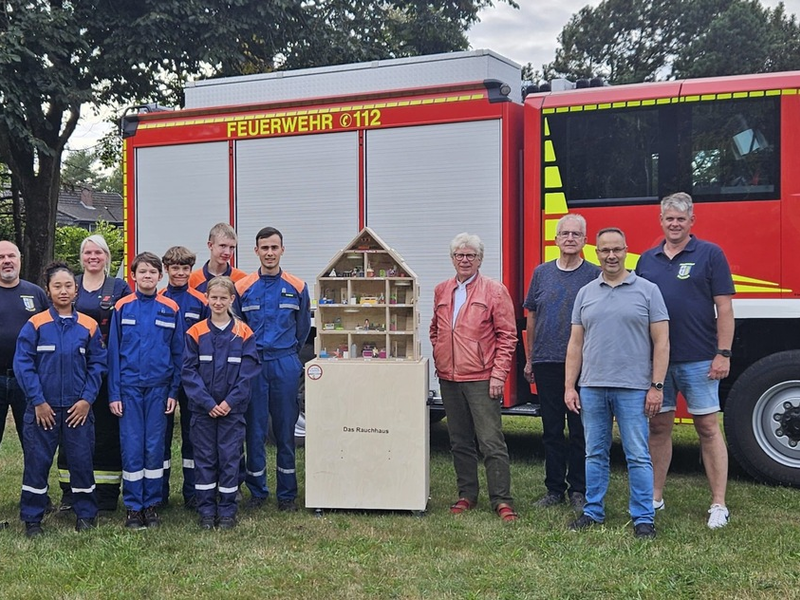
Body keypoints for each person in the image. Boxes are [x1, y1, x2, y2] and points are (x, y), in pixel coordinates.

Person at [636, 192, 735, 529]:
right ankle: (655, 496)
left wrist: (723, 353)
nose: (675, 224)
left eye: (681, 219)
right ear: (661, 221)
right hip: (657, 362)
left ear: (692, 221)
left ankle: (719, 503)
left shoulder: (710, 254)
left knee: (707, 428)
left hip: (700, 359)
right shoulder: (646, 260)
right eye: (670, 218)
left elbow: (724, 308)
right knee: (658, 427)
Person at [565, 228, 669, 539]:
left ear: (626, 251)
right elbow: (575, 343)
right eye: (605, 250)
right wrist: (570, 386)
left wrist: (657, 386)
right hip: (592, 386)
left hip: (633, 388)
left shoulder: (648, 291)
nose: (611, 256)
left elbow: (662, 342)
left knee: (637, 455)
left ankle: (643, 518)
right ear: (596, 253)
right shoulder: (585, 293)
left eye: (617, 250)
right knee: (594, 452)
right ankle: (592, 511)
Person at [429, 232, 519, 522]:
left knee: (491, 441)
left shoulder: (494, 290)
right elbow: (435, 329)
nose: (464, 260)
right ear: (452, 259)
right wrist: (441, 355)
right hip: (449, 378)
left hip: (482, 377)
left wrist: (498, 375)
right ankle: (466, 494)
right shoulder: (442, 290)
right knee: (459, 441)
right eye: (459, 255)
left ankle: (501, 499)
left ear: (480, 259)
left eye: (471, 255)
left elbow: (507, 336)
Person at [14, 262, 107, 537]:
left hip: (78, 410)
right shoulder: (35, 324)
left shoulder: (88, 326)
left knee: (81, 461)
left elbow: (98, 365)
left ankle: (86, 514)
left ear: (76, 290)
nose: (63, 291)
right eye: (57, 286)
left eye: (68, 286)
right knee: (37, 462)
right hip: (44, 410)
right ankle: (32, 518)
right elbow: (23, 365)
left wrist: (87, 400)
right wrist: (38, 401)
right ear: (48, 290)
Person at [523, 214, 599, 510]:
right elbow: (532, 316)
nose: (570, 238)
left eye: (576, 234)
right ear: (555, 239)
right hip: (546, 362)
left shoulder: (594, 275)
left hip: (583, 365)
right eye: (564, 233)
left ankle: (578, 489)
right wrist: (530, 359)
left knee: (580, 430)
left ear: (584, 240)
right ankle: (554, 489)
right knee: (551, 430)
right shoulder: (541, 273)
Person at [235, 227, 311, 512]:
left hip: (284, 363)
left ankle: (287, 494)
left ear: (282, 250)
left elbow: (303, 329)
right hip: (253, 364)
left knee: (285, 430)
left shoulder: (297, 286)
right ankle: (257, 492)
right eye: (264, 248)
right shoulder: (242, 287)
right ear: (256, 251)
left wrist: (287, 354)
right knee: (254, 430)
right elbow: (238, 327)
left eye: (274, 247)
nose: (269, 253)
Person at [108, 252, 184, 529]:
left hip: (159, 390)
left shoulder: (170, 308)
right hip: (129, 389)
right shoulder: (122, 307)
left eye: (152, 272)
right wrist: (114, 394)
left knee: (154, 448)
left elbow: (179, 353)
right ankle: (133, 507)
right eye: (142, 272)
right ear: (133, 276)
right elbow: (113, 354)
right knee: (131, 447)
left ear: (160, 276)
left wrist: (173, 391)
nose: (147, 276)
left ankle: (151, 505)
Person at [57, 233, 131, 513]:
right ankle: (70, 492)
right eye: (88, 252)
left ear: (106, 257)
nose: (93, 257)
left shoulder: (119, 288)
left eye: (98, 252)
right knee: (72, 428)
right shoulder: (70, 284)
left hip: (107, 369)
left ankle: (107, 493)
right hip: (73, 370)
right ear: (81, 257)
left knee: (107, 431)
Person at [182, 276, 259, 529]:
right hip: (202, 412)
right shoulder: (195, 332)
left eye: (223, 298)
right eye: (213, 297)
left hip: (231, 412)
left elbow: (247, 373)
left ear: (232, 300)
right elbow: (189, 372)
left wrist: (229, 402)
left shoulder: (243, 333)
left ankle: (227, 510)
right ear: (206, 298)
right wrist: (207, 403)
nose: (218, 302)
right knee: (205, 459)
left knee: (229, 459)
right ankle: (206, 510)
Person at [0, 241, 49, 527]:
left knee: (34, 443)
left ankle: (37, 496)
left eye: (11, 256)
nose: (6, 261)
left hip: (28, 381)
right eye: (1, 257)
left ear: (20, 259)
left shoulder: (35, 293)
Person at [159, 246, 210, 509]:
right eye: (175, 268)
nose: (180, 273)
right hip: (164, 376)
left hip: (193, 377)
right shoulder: (157, 298)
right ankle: (160, 493)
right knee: (162, 436)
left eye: (185, 268)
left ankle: (192, 493)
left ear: (192, 270)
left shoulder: (201, 301)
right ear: (166, 269)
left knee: (193, 436)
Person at [188, 223, 247, 293]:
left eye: (231, 247)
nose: (227, 252)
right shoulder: (192, 280)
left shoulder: (242, 279)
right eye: (223, 246)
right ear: (210, 245)